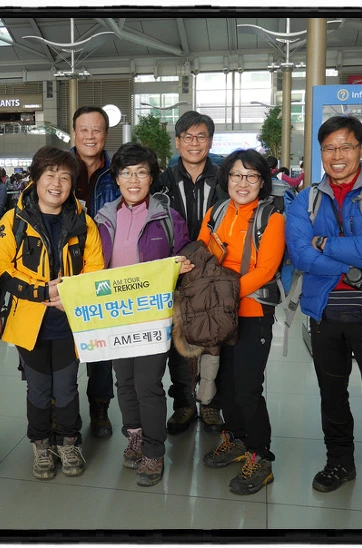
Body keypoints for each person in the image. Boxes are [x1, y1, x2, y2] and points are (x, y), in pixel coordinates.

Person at [285, 115, 362, 524]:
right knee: (331, 395)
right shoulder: (305, 200)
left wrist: (324, 242)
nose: (337, 155)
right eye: (329, 148)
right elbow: (300, 255)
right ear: (321, 152)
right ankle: (339, 462)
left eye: (346, 146)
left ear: (361, 149)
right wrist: (355, 257)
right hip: (326, 313)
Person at [0, 146, 104, 481]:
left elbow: (95, 268)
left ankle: (68, 442)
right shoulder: (13, 221)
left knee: (67, 388)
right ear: (35, 178)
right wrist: (39, 292)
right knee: (38, 389)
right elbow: (0, 268)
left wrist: (72, 294)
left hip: (70, 322)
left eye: (65, 177)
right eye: (50, 175)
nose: (57, 183)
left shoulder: (84, 222)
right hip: (30, 323)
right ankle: (40, 444)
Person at [93, 143, 192, 487]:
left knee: (148, 384)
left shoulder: (168, 217)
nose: (134, 180)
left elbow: (184, 256)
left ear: (152, 178)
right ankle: (134, 435)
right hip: (116, 314)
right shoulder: (103, 217)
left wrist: (183, 265)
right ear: (117, 178)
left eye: (141, 172)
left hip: (154, 315)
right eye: (126, 173)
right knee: (124, 380)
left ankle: (153, 450)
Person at [197, 149, 284, 496]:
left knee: (248, 388)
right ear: (226, 179)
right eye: (236, 175)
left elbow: (265, 270)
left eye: (251, 176)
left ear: (262, 182)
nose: (242, 183)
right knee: (226, 384)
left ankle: (260, 456)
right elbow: (202, 254)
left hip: (252, 314)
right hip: (219, 315)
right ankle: (235, 438)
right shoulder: (216, 213)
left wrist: (224, 294)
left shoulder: (271, 219)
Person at [150, 110, 227, 435]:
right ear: (178, 141)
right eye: (188, 137)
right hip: (175, 274)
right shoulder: (162, 181)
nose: (194, 143)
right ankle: (183, 404)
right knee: (178, 343)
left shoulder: (224, 177)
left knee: (215, 339)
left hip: (216, 274)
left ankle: (210, 404)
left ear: (210, 141)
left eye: (201, 137)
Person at [71, 106, 121, 438]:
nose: (90, 136)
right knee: (64, 346)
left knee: (101, 346)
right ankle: (61, 409)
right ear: (74, 133)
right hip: (64, 269)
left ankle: (100, 406)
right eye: (84, 130)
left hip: (104, 268)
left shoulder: (117, 172)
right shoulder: (56, 168)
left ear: (105, 134)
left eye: (97, 130)